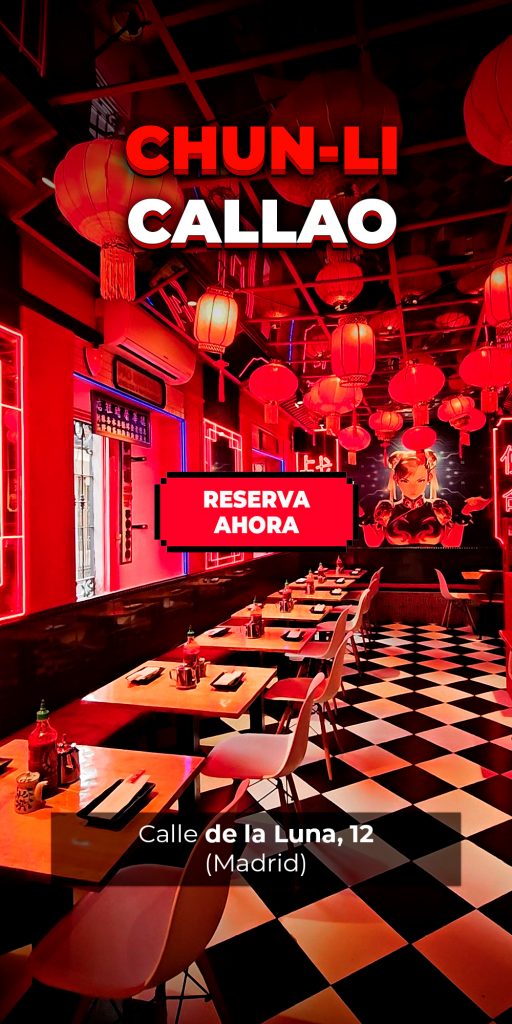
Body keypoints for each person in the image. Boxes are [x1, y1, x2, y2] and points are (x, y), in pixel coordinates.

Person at [361, 449, 490, 547]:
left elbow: (451, 544)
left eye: (420, 480)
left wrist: (465, 511)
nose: (413, 487)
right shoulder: (388, 509)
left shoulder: (438, 508)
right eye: (405, 481)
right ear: (396, 479)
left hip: (433, 569)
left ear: (429, 478)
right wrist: (360, 514)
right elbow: (373, 543)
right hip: (394, 569)